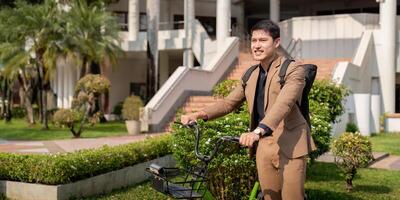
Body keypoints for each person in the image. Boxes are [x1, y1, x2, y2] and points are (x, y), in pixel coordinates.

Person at [181, 19, 316, 200]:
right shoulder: (250, 74)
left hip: (290, 143)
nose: (256, 46)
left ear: (276, 43)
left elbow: (284, 103)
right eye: (254, 41)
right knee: (270, 197)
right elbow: (228, 103)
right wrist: (198, 114)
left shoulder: (293, 69)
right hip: (264, 145)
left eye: (263, 40)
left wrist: (258, 131)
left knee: (292, 197)